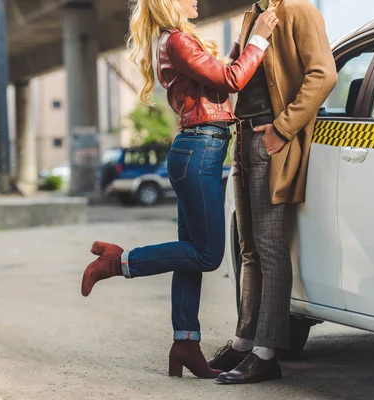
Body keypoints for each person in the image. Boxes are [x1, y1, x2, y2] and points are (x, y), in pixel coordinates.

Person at [81, 0, 278, 379]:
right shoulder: (176, 42)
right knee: (207, 255)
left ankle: (185, 344)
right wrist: (261, 40)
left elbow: (222, 72)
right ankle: (118, 262)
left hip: (195, 151)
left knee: (189, 254)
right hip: (199, 152)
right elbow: (232, 80)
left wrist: (241, 45)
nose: (196, 1)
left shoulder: (175, 42)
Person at [208, 0, 337, 384]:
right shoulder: (253, 14)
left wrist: (283, 129)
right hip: (244, 136)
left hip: (270, 138)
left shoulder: (299, 10)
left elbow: (324, 74)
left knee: (270, 246)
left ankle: (266, 353)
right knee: (249, 248)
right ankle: (245, 341)